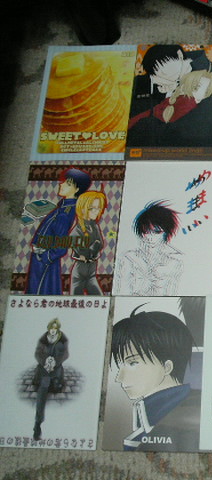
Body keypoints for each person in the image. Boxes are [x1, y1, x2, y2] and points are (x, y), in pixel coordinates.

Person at [110, 306, 200, 451]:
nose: (119, 378)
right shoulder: (150, 422)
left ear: (167, 367)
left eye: (132, 363)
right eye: (120, 366)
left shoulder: (185, 418)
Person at [26, 167, 92, 295]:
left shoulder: (66, 212)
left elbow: (61, 246)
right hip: (41, 258)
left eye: (68, 184)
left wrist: (45, 257)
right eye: (64, 181)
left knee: (41, 292)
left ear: (77, 189)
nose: (62, 184)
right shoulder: (62, 208)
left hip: (45, 259)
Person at [127, 69, 212, 148]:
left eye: (206, 91)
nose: (202, 93)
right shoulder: (188, 105)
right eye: (197, 87)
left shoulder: (174, 100)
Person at [114, 200, 183, 296]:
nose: (150, 237)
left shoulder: (174, 263)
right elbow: (122, 292)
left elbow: (173, 293)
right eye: (146, 232)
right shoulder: (129, 258)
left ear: (166, 233)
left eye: (157, 232)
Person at [33, 318, 69, 441]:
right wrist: (45, 361)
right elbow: (37, 353)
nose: (53, 330)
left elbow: (65, 354)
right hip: (44, 370)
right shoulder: (43, 339)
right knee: (42, 392)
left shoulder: (62, 339)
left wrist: (55, 361)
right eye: (51, 328)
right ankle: (37, 423)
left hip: (56, 370)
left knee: (55, 387)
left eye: (55, 328)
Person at [70, 190, 107, 295]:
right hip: (80, 272)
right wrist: (92, 248)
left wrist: (92, 248)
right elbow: (83, 251)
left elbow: (100, 244)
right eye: (92, 208)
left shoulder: (94, 226)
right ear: (83, 208)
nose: (96, 211)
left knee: (100, 298)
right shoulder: (77, 230)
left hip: (91, 271)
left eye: (98, 208)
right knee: (75, 300)